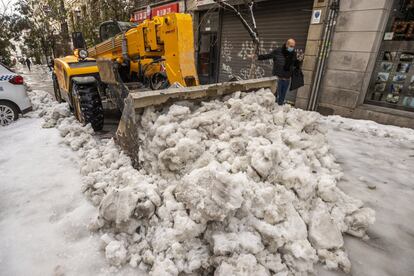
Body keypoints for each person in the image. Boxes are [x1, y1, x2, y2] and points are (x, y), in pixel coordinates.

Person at [258, 38, 303, 105]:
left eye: (293, 46)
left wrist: (299, 61)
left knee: (282, 97)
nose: (292, 48)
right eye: (291, 46)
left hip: (287, 79)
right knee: (275, 97)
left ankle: (279, 110)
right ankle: (272, 111)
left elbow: (294, 64)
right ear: (287, 45)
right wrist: (257, 57)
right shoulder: (278, 51)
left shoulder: (293, 54)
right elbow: (267, 56)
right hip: (278, 79)